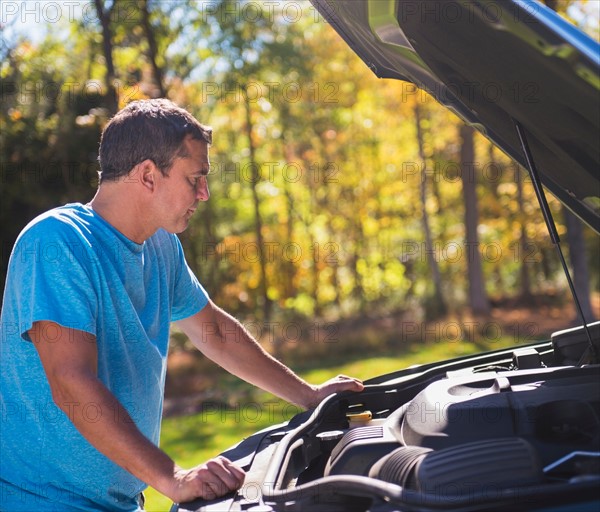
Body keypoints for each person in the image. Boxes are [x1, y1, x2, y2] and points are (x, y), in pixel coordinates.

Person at [0, 99, 364, 511]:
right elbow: (70, 382)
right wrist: (172, 478)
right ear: (149, 176)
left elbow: (216, 333)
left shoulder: (160, 246)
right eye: (196, 179)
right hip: (42, 502)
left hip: (120, 502)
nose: (204, 194)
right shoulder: (56, 242)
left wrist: (309, 395)